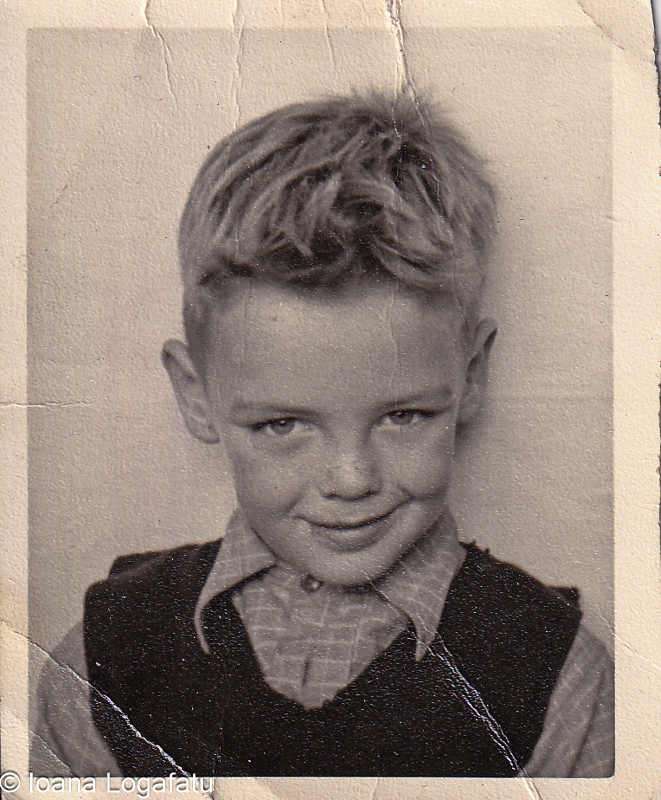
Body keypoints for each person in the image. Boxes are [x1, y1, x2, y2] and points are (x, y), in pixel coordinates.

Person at [33, 90, 614, 778]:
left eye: (404, 416)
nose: (350, 479)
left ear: (471, 374)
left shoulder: (558, 672)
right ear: (195, 395)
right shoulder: (101, 660)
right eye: (282, 424)